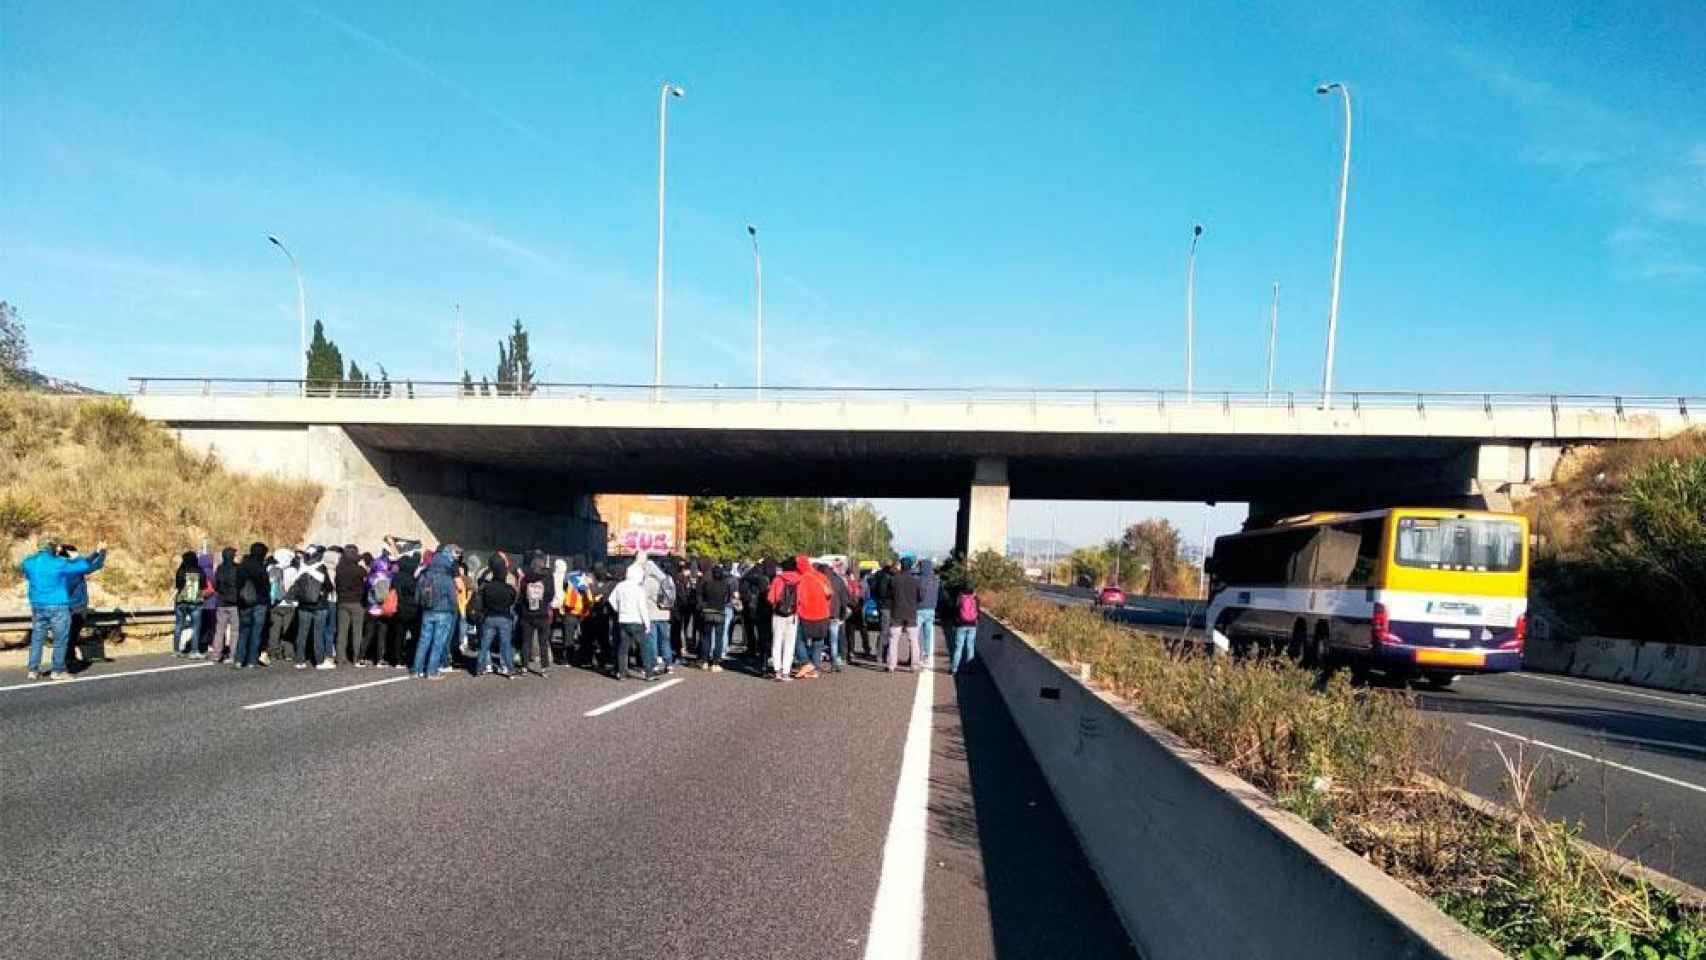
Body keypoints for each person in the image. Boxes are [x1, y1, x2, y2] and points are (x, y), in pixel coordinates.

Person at [21, 537, 106, 680]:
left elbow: (28, 573)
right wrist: (76, 556)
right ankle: (58, 670)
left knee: (37, 638)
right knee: (60, 639)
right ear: (52, 548)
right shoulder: (60, 563)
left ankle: (33, 670)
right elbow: (84, 566)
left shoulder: (28, 562)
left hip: (37, 605)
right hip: (57, 605)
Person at [413, 545, 459, 680]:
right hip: (444, 612)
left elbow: (417, 595)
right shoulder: (446, 577)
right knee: (438, 642)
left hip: (427, 610)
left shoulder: (425, 575)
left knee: (423, 640)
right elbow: (453, 598)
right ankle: (432, 671)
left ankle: (416, 670)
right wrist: (453, 608)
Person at [606, 561, 655, 681]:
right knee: (644, 648)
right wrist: (647, 624)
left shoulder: (620, 586)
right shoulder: (638, 589)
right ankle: (648, 673)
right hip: (637, 621)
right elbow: (642, 608)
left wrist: (620, 610)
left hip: (623, 620)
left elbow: (611, 600)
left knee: (623, 648)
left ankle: (622, 673)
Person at [475, 552, 518, 678]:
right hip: (504, 617)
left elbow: (481, 601)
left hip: (489, 617)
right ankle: (510, 668)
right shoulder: (509, 589)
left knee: (484, 644)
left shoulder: (486, 587)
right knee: (506, 644)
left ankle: (479, 668)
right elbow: (512, 601)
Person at [287, 550, 329, 669]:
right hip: (319, 605)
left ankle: (300, 660)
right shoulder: (321, 568)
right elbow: (329, 585)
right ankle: (319, 661)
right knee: (318, 633)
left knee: (302, 633)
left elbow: (295, 585)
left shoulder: (302, 569)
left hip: (303, 605)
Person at [793, 556, 833, 679]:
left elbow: (797, 599)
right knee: (818, 642)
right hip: (823, 615)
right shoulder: (822, 577)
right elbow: (830, 596)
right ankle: (815, 669)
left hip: (807, 615)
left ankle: (806, 662)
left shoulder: (800, 579)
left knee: (798, 640)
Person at [233, 542, 271, 668]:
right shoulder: (261, 567)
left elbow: (237, 584)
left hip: (244, 602)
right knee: (256, 632)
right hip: (260, 603)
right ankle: (252, 660)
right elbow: (266, 587)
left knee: (244, 631)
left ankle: (239, 659)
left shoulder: (242, 566)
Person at [517, 551, 555, 677]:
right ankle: (544, 668)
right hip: (543, 613)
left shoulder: (526, 577)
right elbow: (550, 594)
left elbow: (521, 594)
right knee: (543, 642)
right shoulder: (548, 576)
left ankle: (524, 667)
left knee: (526, 641)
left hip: (527, 614)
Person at [640, 554, 676, 675]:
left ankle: (654, 663)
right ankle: (669, 663)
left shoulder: (649, 581)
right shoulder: (667, 578)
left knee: (652, 640)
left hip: (652, 614)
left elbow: (643, 597)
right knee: (665, 640)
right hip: (665, 613)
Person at [766, 559, 802, 682]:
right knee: (790, 644)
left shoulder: (777, 579)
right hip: (793, 616)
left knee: (777, 642)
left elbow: (770, 598)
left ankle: (777, 671)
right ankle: (786, 672)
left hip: (778, 615)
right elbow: (801, 599)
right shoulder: (799, 580)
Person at [886, 557, 922, 673]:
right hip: (911, 613)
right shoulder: (915, 581)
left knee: (893, 640)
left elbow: (889, 595)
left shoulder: (894, 580)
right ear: (911, 566)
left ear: (901, 565)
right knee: (914, 640)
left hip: (896, 612)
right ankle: (914, 665)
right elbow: (921, 597)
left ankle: (891, 665)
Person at [334, 544, 368, 667]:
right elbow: (366, 580)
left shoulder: (339, 568)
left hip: (342, 602)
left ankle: (339, 657)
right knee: (357, 632)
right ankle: (356, 658)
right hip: (356, 602)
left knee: (342, 631)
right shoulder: (359, 570)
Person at [266, 549, 301, 664]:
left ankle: (273, 652)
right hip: (289, 603)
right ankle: (289, 653)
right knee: (288, 629)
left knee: (274, 629)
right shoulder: (293, 571)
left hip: (275, 603)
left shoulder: (270, 569)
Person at [696, 563, 732, 671]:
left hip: (707, 612)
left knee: (706, 637)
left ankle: (705, 661)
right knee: (719, 638)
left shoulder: (707, 583)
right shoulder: (725, 584)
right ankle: (716, 662)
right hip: (720, 612)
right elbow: (728, 599)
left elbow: (700, 595)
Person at [209, 546, 241, 664]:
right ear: (232, 556)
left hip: (221, 602)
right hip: (234, 603)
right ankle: (233, 655)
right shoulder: (237, 569)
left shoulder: (219, 569)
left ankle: (216, 655)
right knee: (235, 630)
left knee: (219, 630)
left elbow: (215, 585)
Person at [172, 551, 206, 658]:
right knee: (196, 626)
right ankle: (194, 651)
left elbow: (177, 585)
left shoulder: (180, 570)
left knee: (178, 625)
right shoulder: (199, 570)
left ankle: (176, 650)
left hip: (181, 601)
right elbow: (204, 584)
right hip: (195, 601)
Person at [820, 562, 849, 672]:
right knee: (834, 640)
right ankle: (834, 662)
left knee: (819, 640)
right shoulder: (839, 581)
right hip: (834, 614)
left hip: (821, 614)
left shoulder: (820, 580)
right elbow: (844, 600)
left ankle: (816, 662)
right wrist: (842, 615)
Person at [949, 583, 980, 675]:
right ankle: (970, 668)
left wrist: (954, 624)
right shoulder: (976, 599)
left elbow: (955, 612)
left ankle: (954, 669)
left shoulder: (960, 598)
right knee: (970, 647)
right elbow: (978, 612)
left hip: (961, 625)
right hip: (972, 625)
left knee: (958, 647)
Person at [917, 559, 941, 665]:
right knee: (928, 634)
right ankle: (926, 656)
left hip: (919, 609)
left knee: (916, 634)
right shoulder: (935, 580)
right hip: (931, 609)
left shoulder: (918, 579)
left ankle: (917, 655)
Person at [870, 559, 895, 660]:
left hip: (881, 604)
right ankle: (881, 654)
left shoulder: (878, 575)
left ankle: (882, 654)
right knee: (885, 630)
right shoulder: (886, 576)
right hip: (886, 605)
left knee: (885, 630)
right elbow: (883, 592)